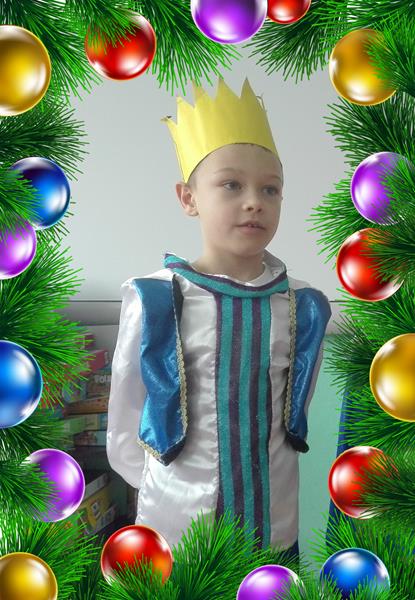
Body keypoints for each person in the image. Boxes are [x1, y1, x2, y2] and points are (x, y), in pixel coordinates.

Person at [106, 76, 332, 565]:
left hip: (273, 528)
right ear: (188, 198)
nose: (254, 201)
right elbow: (125, 420)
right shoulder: (156, 298)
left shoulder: (303, 305)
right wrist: (168, 489)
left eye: (270, 189)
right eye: (231, 184)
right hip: (177, 532)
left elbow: (293, 411)